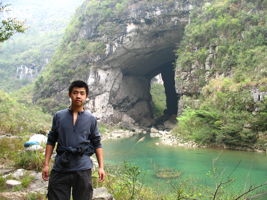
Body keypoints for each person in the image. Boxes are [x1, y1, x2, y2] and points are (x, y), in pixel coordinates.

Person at [42, 80, 105, 200]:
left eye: (82, 93)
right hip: (61, 166)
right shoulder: (59, 116)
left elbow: (97, 143)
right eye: (75, 92)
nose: (78, 96)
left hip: (83, 168)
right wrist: (46, 164)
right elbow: (51, 140)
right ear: (69, 94)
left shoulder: (91, 119)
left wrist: (101, 167)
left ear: (86, 96)